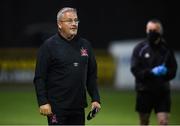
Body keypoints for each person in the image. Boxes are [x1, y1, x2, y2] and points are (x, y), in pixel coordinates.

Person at [33, 7, 101, 125]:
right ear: (59, 24)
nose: (74, 24)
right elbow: (40, 77)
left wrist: (95, 99)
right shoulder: (49, 46)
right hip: (56, 108)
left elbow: (91, 75)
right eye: (69, 21)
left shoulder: (85, 45)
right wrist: (43, 102)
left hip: (78, 107)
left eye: (76, 20)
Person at [130, 19, 177, 125]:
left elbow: (173, 70)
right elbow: (135, 69)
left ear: (160, 32)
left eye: (155, 30)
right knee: (144, 121)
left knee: (163, 122)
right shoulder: (140, 48)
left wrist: (166, 73)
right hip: (144, 91)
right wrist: (151, 72)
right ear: (146, 30)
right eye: (149, 30)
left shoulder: (167, 49)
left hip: (162, 92)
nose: (152, 33)